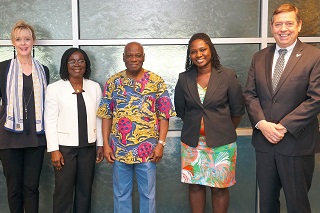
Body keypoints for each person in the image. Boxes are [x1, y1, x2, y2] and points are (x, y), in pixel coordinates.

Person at [243, 4, 320, 213]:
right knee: (266, 205)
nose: (283, 29)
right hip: (265, 145)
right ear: (271, 27)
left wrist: (283, 126)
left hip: (297, 144)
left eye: (289, 23)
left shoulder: (314, 56)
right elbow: (249, 94)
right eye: (278, 24)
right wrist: (262, 124)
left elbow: (316, 98)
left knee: (298, 206)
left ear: (299, 25)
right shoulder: (258, 57)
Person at [97, 41, 175, 213]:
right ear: (123, 57)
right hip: (119, 149)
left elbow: (164, 116)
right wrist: (106, 143)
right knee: (121, 194)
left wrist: (161, 144)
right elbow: (106, 115)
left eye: (137, 55)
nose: (134, 59)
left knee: (148, 194)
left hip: (147, 151)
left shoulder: (156, 82)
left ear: (143, 57)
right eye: (130, 55)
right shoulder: (113, 82)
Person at [174, 33, 244, 213]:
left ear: (211, 50)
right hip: (192, 144)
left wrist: (222, 130)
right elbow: (181, 110)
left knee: (219, 188)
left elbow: (237, 110)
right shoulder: (184, 79)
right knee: (195, 186)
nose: (199, 55)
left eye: (203, 49)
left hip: (222, 145)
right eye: (193, 52)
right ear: (189, 55)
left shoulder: (227, 75)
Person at [44, 47, 103, 213]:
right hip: (65, 149)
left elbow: (99, 117)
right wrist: (54, 149)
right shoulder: (54, 88)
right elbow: (50, 121)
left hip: (88, 147)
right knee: (63, 191)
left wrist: (100, 144)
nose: (77, 64)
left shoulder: (94, 87)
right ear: (65, 64)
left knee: (85, 191)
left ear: (86, 64)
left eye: (81, 60)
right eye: (72, 61)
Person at [0, 20, 49, 213]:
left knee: (31, 188)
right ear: (13, 42)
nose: (23, 43)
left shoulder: (43, 70)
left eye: (27, 39)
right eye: (18, 39)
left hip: (36, 138)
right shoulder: (2, 69)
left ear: (33, 41)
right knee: (13, 189)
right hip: (8, 138)